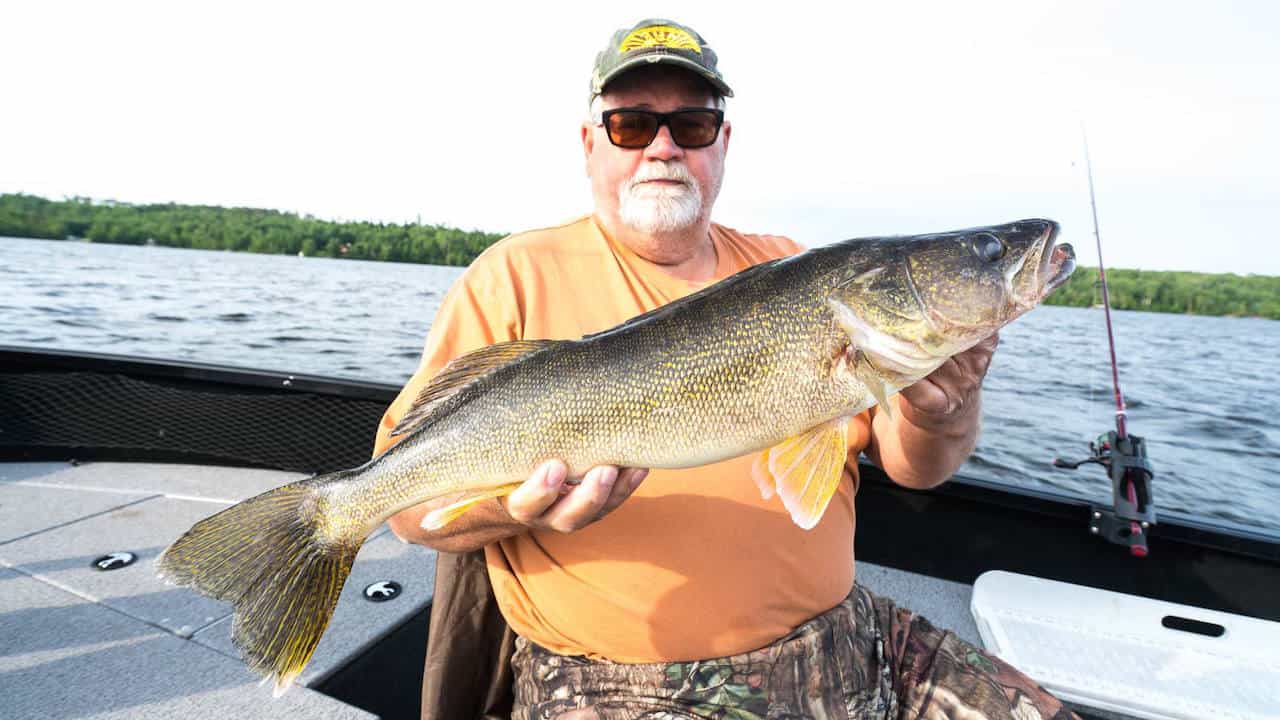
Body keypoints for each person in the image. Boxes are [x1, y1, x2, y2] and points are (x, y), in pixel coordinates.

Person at [374, 18, 1078, 720]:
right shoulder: (513, 279)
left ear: (723, 143)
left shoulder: (792, 265)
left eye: (692, 125)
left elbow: (917, 469)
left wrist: (942, 413)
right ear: (590, 145)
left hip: (850, 642)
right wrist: (509, 505)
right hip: (627, 686)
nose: (662, 147)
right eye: (631, 125)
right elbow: (401, 505)